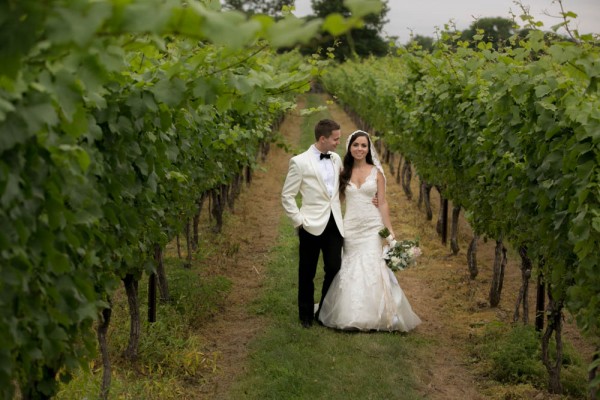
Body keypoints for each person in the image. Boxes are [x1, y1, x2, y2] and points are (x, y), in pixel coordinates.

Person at [317, 130, 421, 332]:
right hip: (351, 226)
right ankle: (349, 312)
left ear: (368, 148)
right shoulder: (343, 172)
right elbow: (335, 201)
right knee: (351, 266)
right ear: (350, 148)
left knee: (372, 266)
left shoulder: (377, 173)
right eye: (356, 145)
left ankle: (378, 315)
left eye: (364, 145)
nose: (359, 149)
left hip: (372, 226)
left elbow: (382, 203)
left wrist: (389, 232)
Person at [281, 119, 344, 328]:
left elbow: (342, 188)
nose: (338, 143)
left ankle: (324, 310)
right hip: (310, 223)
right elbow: (287, 195)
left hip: (334, 222)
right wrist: (299, 221)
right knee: (307, 271)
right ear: (322, 138)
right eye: (335, 139)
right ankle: (305, 315)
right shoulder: (299, 162)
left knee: (334, 267)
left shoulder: (336, 159)